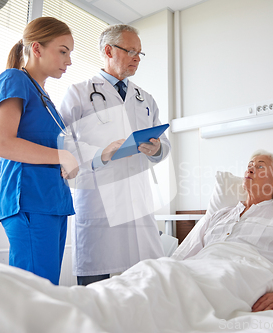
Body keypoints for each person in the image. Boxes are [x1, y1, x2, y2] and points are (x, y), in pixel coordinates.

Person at [59, 24, 171, 286]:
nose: (136, 58)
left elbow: (164, 144)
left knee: (146, 284)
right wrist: (100, 154)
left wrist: (157, 149)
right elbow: (61, 143)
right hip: (98, 201)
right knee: (95, 287)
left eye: (139, 53)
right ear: (108, 50)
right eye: (131, 50)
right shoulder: (79, 93)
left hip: (138, 201)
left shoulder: (146, 99)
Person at [0, 17, 78, 285]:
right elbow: (2, 143)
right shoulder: (14, 79)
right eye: (63, 51)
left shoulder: (46, 98)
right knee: (32, 294)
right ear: (37, 49)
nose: (69, 61)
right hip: (29, 201)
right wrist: (62, 157)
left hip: (53, 203)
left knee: (47, 289)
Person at [172, 150, 273, 311]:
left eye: (260, 167)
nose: (250, 169)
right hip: (201, 267)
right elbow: (183, 256)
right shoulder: (220, 215)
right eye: (249, 166)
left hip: (245, 272)